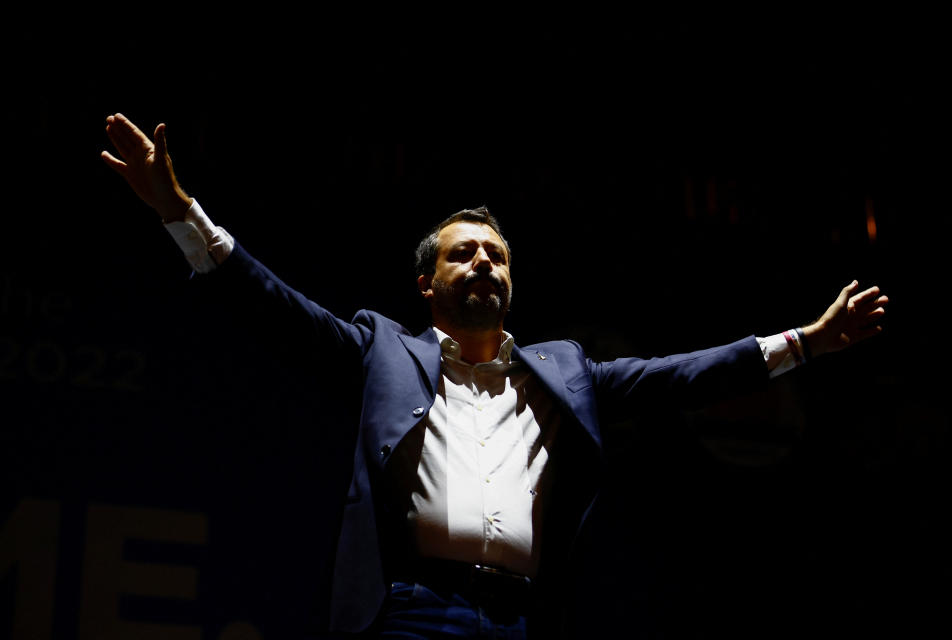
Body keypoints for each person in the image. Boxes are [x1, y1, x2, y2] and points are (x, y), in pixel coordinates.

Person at [102, 113, 888, 639]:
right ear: (426, 283)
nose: (484, 261)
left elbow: (684, 376)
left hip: (522, 619)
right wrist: (179, 210)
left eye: (497, 255)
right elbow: (272, 307)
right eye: (463, 253)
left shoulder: (566, 372)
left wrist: (806, 344)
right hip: (408, 612)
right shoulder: (379, 351)